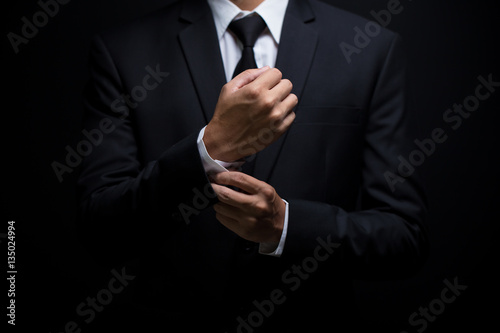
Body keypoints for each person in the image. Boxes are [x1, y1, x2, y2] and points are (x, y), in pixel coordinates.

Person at [77, 0, 428, 331]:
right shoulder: (123, 50)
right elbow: (101, 232)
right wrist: (209, 148)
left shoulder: (372, 48)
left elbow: (403, 236)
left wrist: (286, 225)